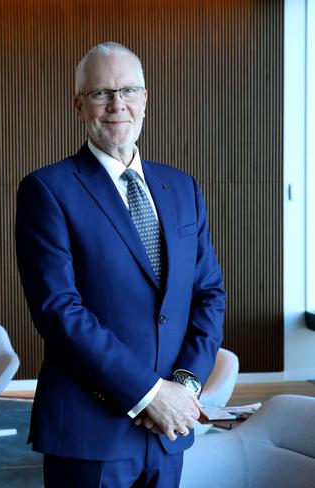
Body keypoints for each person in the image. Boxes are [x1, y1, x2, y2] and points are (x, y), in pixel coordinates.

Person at [14, 42, 226, 487]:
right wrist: (148, 394)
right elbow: (59, 311)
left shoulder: (182, 187)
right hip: (90, 434)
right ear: (78, 105)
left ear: (145, 100)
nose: (117, 105)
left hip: (169, 430)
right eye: (100, 93)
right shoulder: (47, 190)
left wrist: (183, 389)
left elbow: (207, 294)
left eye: (129, 90)